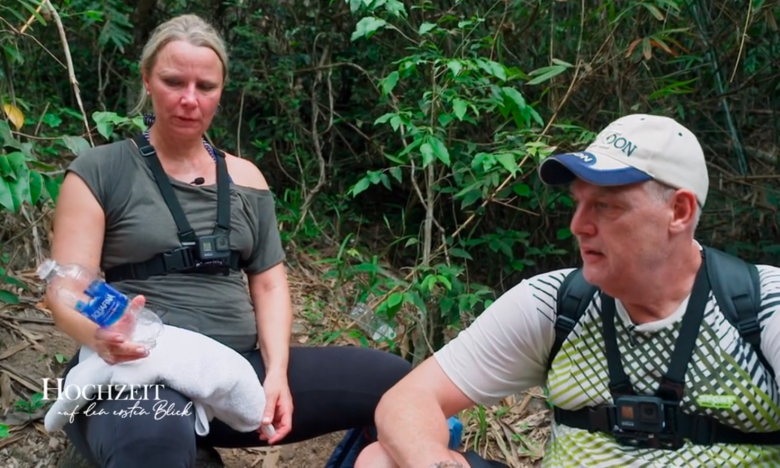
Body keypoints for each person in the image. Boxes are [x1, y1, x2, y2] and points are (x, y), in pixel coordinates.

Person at [47, 13, 411, 467]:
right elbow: (67, 286)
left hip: (233, 370)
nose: (188, 99)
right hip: (137, 365)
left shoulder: (245, 178)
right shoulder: (101, 170)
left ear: (222, 91)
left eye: (206, 87)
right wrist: (100, 336)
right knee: (156, 441)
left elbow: (270, 283)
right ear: (146, 80)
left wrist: (276, 373)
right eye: (173, 81)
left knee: (398, 383)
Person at [355, 114, 780, 467]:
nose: (578, 225)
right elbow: (408, 399)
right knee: (381, 461)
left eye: (606, 206)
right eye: (577, 203)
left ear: (679, 211)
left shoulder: (760, 307)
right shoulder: (556, 303)